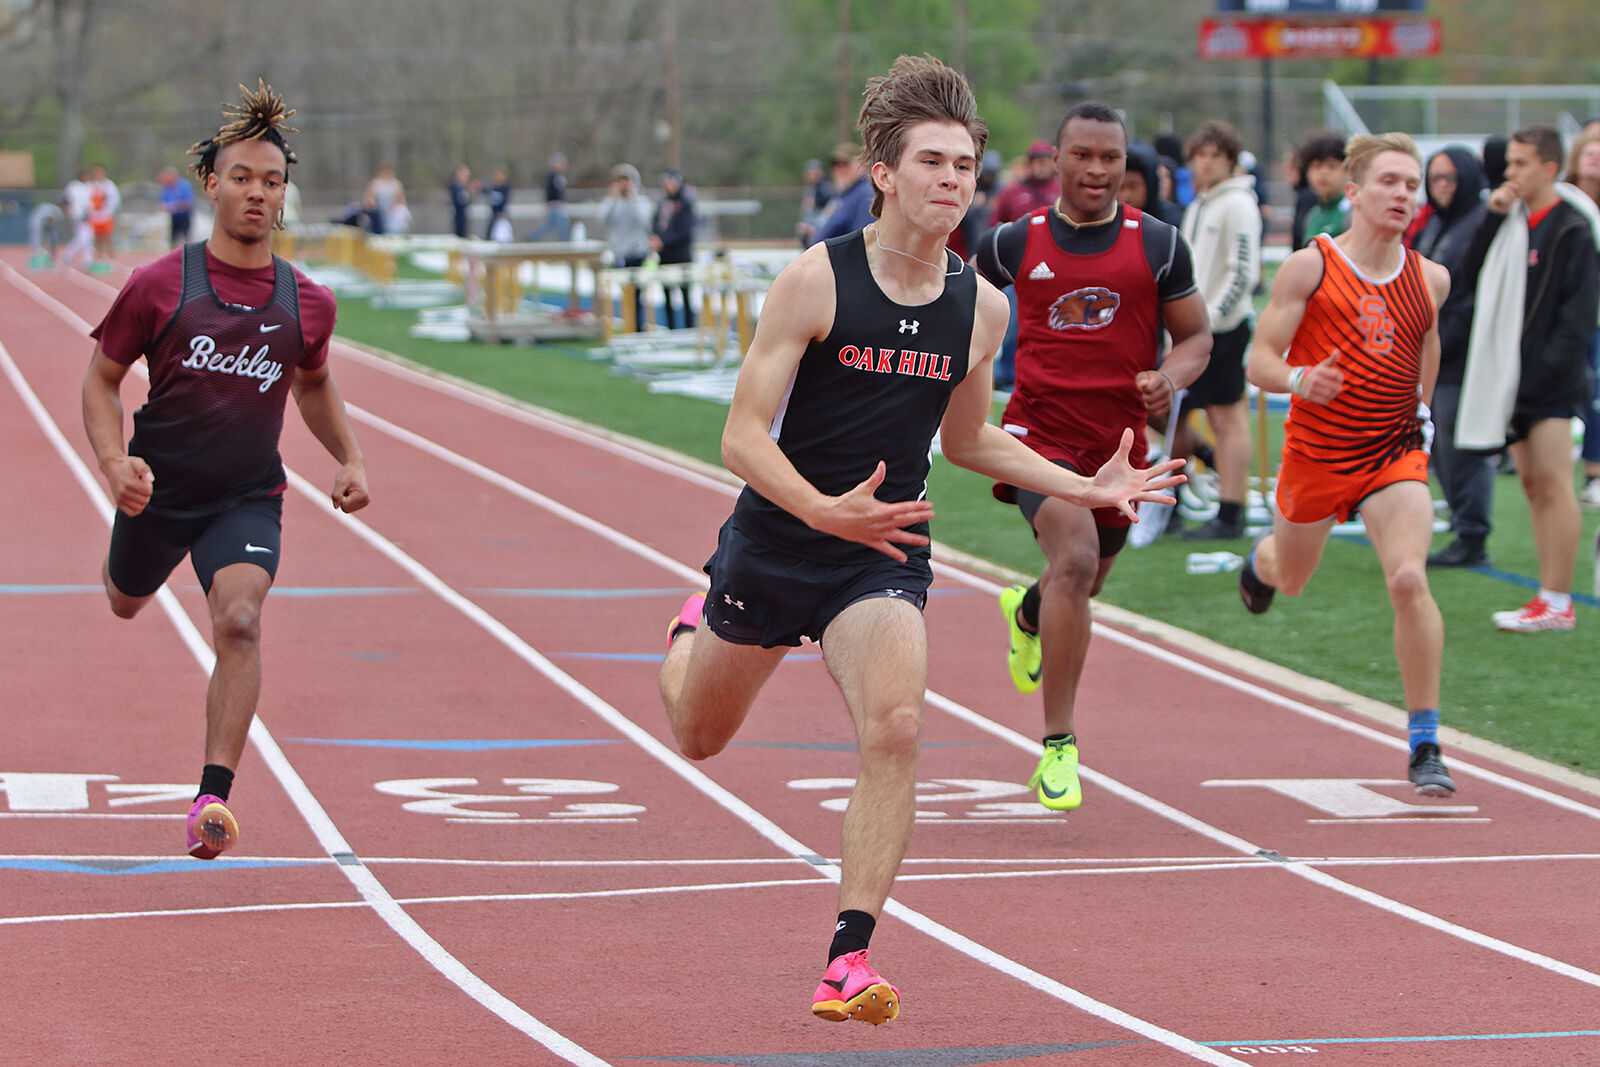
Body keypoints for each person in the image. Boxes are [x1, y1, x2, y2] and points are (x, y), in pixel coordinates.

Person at [657, 56, 1182, 1026]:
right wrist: (820, 509)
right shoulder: (818, 279)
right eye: (932, 162)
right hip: (778, 541)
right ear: (883, 174)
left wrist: (1086, 481)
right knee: (697, 734)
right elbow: (738, 435)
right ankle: (692, 622)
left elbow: (968, 437)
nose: (954, 181)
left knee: (897, 726)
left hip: (882, 551)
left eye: (966, 165)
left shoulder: (980, 304)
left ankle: (846, 957)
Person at [80, 81, 370, 861]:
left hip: (245, 496)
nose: (257, 192)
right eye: (242, 176)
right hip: (158, 490)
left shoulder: (307, 301)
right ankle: (127, 565)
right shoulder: (158, 286)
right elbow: (101, 379)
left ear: (284, 196)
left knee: (240, 619)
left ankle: (213, 797)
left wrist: (348, 456)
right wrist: (114, 463)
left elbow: (311, 381)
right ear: (212, 184)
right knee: (123, 600)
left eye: (272, 181)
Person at [973, 101, 1211, 812]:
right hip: (1038, 438)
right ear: (1058, 160)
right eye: (1085, 156)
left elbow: (1197, 338)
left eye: (1112, 157)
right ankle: (1059, 743)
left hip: (1122, 452)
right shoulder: (1013, 242)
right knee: (1074, 561)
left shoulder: (1161, 244)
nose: (1099, 170)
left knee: (1085, 581)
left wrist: (1170, 378)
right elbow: (963, 318)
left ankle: (1029, 612)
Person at [1236, 132, 1455, 796]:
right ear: (1355, 193)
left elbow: (1427, 349)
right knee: (1293, 577)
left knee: (1409, 580)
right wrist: (1301, 380)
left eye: (1412, 184)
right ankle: (1262, 560)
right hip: (1318, 453)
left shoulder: (1430, 278)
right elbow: (1259, 360)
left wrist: (1422, 413)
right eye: (1389, 181)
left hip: (1392, 452)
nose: (1403, 194)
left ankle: (1425, 741)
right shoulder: (1312, 267)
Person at [1454, 124, 1600, 632]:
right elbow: (1469, 275)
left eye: (1519, 164)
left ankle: (1559, 600)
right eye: (1508, 163)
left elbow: (1578, 315)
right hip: (1506, 378)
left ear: (1549, 168)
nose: (1509, 172)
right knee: (1533, 485)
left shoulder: (1572, 227)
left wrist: (1542, 372)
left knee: (1555, 483)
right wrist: (1492, 219)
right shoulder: (1510, 218)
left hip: (1549, 382)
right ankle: (1545, 594)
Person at [1176, 121, 1261, 541]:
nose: (1206, 162)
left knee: (1228, 419)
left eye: (1215, 155)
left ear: (1230, 160)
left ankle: (1232, 512)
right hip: (1199, 329)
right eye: (1201, 154)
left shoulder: (1238, 204)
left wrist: (1211, 319)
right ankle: (1198, 496)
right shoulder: (1201, 203)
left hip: (1222, 329)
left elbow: (1243, 271)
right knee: (1185, 415)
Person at [1415, 147, 1495, 567]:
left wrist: (1445, 332)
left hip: (1463, 354)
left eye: (1450, 178)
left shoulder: (1478, 222)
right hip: (1434, 351)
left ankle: (1473, 535)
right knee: (1439, 446)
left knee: (1460, 447)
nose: (1441, 186)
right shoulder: (1436, 223)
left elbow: (1474, 294)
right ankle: (1465, 529)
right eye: (1435, 178)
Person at [986, 139, 1062, 390]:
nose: (1040, 166)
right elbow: (996, 226)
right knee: (1011, 324)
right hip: (1017, 271)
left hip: (1055, 271)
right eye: (1036, 160)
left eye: (1044, 160)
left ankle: (1044, 373)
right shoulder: (1012, 192)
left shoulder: (1061, 191)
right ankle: (1006, 376)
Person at [1562, 131, 1600, 508]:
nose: (1595, 157)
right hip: (1565, 315)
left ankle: (1594, 472)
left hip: (1597, 316)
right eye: (1589, 150)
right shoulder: (1563, 200)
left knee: (1597, 393)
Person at [600, 163, 654, 328]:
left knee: (637, 295)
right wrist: (613, 198)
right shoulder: (613, 202)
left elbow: (644, 221)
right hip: (619, 253)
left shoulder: (641, 202)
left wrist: (632, 199)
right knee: (623, 294)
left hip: (637, 253)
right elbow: (602, 219)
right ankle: (627, 325)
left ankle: (638, 327)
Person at [650, 167, 697, 329]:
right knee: (667, 294)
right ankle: (671, 328)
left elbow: (684, 231)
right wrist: (655, 239)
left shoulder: (685, 203)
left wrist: (663, 240)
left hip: (681, 254)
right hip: (665, 256)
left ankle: (689, 328)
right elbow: (656, 224)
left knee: (685, 294)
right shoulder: (662, 203)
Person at [810, 142, 874, 243]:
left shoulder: (866, 194)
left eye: (845, 163)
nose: (839, 169)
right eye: (835, 164)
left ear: (861, 163)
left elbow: (864, 242)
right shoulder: (844, 195)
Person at [1295, 133, 1348, 249]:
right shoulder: (1312, 215)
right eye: (1317, 166)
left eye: (1332, 166)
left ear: (1347, 171)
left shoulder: (1354, 213)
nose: (1323, 172)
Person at [527, 152, 571, 242]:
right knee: (560, 225)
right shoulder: (552, 176)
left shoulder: (560, 176)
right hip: (554, 205)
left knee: (554, 225)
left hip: (558, 205)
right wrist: (547, 202)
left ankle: (534, 237)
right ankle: (534, 237)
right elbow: (548, 190)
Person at [87, 164, 120, 272]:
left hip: (106, 216)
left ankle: (111, 261)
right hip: (95, 217)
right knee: (97, 240)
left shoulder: (109, 185)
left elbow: (115, 200)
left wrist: (109, 212)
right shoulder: (92, 186)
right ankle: (99, 260)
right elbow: (88, 201)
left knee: (108, 238)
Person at [795, 158, 835, 247]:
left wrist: (815, 227)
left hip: (819, 232)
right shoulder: (810, 189)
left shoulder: (825, 189)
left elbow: (830, 210)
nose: (811, 176)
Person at [62, 168, 95, 270]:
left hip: (88, 215)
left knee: (88, 238)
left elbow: (91, 202)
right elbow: (66, 200)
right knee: (82, 238)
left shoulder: (89, 187)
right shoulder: (73, 186)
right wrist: (66, 210)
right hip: (77, 215)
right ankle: (68, 254)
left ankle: (87, 261)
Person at [362, 162, 405, 236]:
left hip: (391, 210)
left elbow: (400, 199)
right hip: (378, 209)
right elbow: (369, 199)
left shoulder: (396, 184)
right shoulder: (375, 183)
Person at [157, 166, 196, 248]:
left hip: (185, 216)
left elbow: (189, 202)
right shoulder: (166, 187)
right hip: (174, 217)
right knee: (173, 238)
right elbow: (162, 202)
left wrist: (175, 206)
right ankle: (172, 253)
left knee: (187, 236)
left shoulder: (184, 185)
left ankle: (190, 253)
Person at [447, 163, 478, 240]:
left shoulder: (464, 187)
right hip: (457, 218)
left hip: (464, 218)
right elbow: (458, 202)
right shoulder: (455, 186)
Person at [483, 165, 512, 242]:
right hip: (493, 212)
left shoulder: (505, 188)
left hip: (500, 213)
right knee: (491, 229)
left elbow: (505, 200)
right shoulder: (494, 187)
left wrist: (501, 211)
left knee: (501, 230)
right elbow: (486, 191)